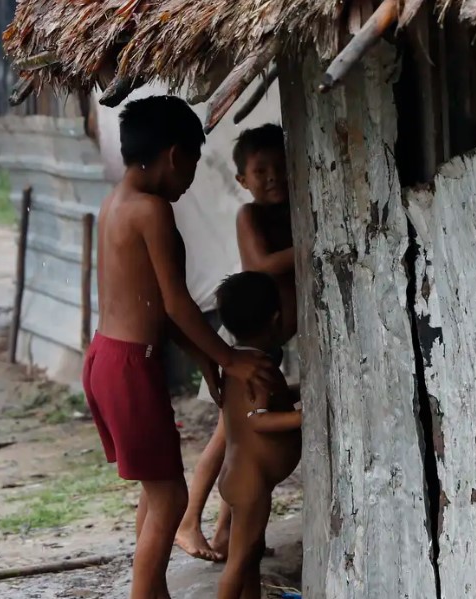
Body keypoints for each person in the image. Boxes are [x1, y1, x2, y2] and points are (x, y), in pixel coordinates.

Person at [81, 95, 277, 599]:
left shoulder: (114, 204)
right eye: (192, 163)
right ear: (174, 155)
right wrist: (230, 357)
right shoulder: (153, 211)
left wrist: (203, 357)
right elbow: (176, 303)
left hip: (106, 357)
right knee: (171, 499)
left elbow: (146, 303)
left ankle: (153, 590)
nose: (191, 177)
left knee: (157, 489)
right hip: (130, 365)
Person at [176, 123, 296, 562]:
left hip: (268, 345)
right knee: (226, 438)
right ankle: (189, 520)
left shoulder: (291, 211)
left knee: (238, 444)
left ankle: (229, 532)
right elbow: (261, 266)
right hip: (244, 345)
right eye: (260, 170)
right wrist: (314, 243)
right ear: (242, 180)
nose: (273, 177)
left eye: (281, 167)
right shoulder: (250, 216)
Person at [214, 271, 301, 599]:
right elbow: (258, 420)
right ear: (276, 319)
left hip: (238, 476)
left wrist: (299, 391)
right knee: (237, 563)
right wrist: (300, 418)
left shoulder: (241, 363)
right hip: (250, 484)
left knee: (250, 555)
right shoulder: (259, 368)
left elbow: (269, 400)